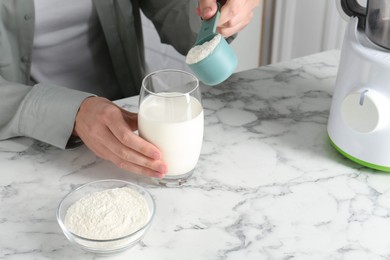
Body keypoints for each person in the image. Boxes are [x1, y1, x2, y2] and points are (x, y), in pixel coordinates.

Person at [0, 0, 259, 178]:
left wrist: (216, 14)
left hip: (127, 117)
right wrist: (75, 113)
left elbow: (173, 11)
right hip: (25, 135)